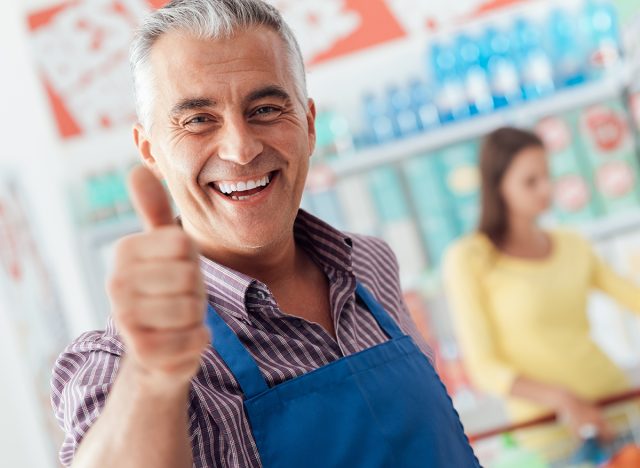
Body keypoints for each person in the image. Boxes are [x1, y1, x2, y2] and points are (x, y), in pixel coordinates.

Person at [51, 1, 481, 467]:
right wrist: (153, 378)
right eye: (197, 120)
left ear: (310, 125)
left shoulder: (370, 265)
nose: (240, 148)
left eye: (266, 109)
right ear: (150, 150)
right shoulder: (119, 363)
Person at [444, 127, 640, 440]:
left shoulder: (573, 243)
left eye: (548, 176)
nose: (546, 189)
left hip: (616, 405)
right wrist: (563, 400)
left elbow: (633, 297)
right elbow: (484, 367)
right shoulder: (469, 258)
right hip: (549, 432)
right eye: (530, 181)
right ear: (498, 186)